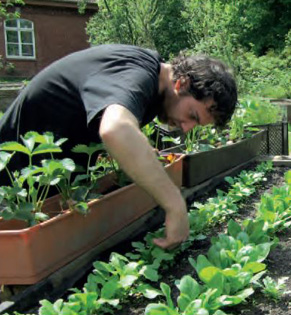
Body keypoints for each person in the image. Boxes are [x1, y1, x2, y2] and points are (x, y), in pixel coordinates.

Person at [0, 44, 237, 250]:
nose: (186, 128)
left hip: (43, 189)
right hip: (11, 184)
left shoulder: (150, 84)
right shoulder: (136, 73)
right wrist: (175, 204)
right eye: (192, 115)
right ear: (181, 83)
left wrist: (141, 157)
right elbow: (115, 129)